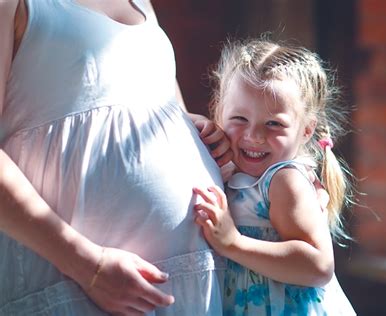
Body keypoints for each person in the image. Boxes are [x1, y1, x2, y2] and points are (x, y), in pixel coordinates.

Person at [0, 0, 232, 315]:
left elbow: (160, 108)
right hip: (79, 282)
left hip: (193, 284)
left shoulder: (141, 4)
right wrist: (87, 264)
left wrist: (198, 131)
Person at [193, 39, 356, 315]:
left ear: (306, 130)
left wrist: (233, 242)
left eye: (274, 124)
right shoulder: (235, 172)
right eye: (239, 119)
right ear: (219, 112)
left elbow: (319, 266)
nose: (254, 136)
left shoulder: (283, 180)